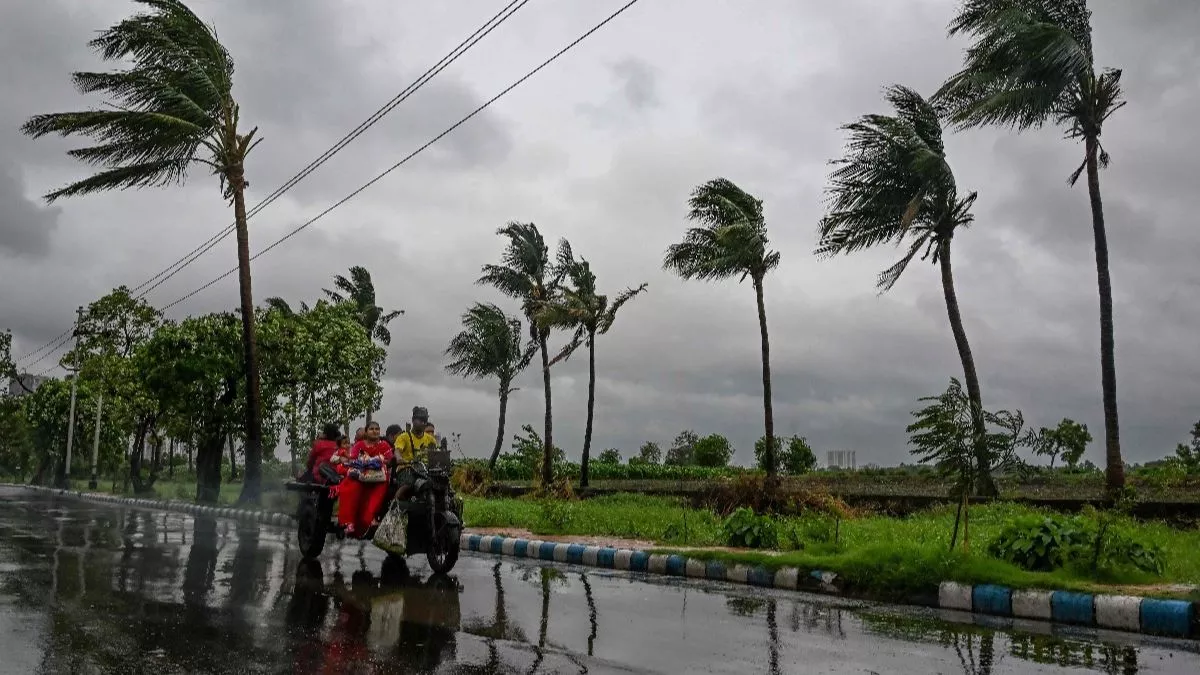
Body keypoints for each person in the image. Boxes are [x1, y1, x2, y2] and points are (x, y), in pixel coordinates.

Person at [332, 421, 394, 536]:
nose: (374, 431)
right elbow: (352, 459)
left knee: (379, 492)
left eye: (377, 429)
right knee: (351, 487)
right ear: (366, 432)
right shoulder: (359, 445)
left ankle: (370, 519)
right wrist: (365, 462)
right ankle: (349, 522)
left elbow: (390, 460)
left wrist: (379, 461)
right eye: (371, 429)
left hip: (379, 479)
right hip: (361, 476)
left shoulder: (384, 445)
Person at [392, 406, 440, 501]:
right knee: (409, 482)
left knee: (441, 482)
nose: (423, 423)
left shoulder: (431, 439)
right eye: (420, 420)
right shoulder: (404, 437)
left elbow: (436, 454)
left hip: (425, 470)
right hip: (407, 468)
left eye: (424, 420)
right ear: (413, 420)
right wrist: (399, 458)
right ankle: (396, 503)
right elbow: (397, 450)